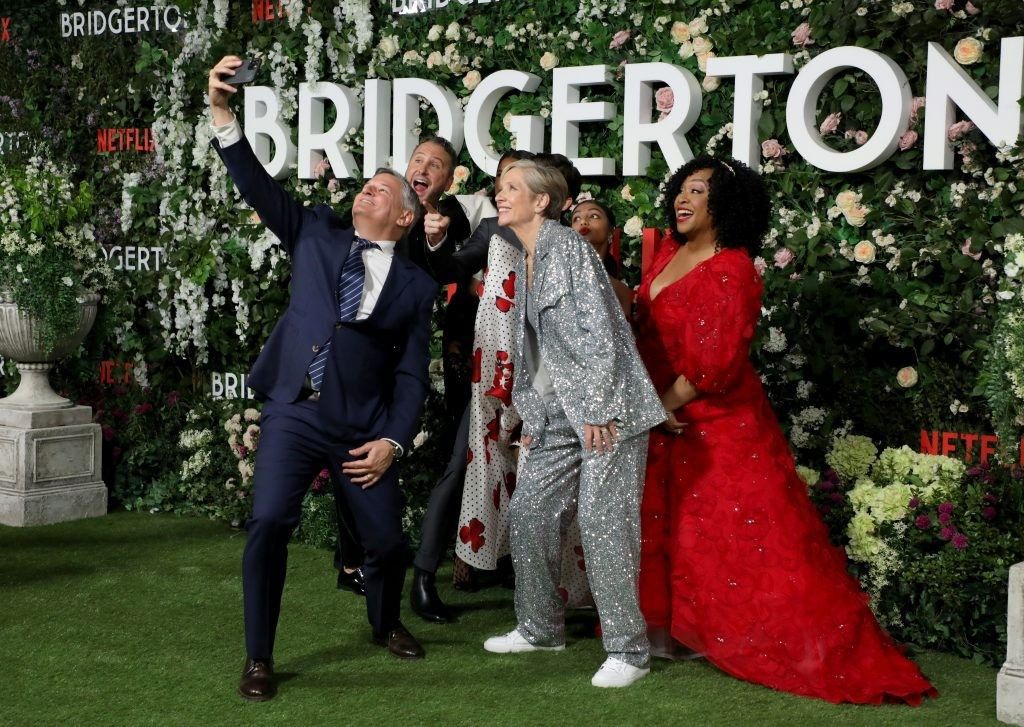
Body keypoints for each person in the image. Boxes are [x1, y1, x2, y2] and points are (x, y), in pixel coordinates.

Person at [634, 154, 938, 704]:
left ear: (726, 203)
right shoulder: (666, 258)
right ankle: (676, 636)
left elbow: (716, 364)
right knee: (678, 537)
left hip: (717, 428)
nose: (683, 198)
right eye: (681, 188)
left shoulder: (733, 267)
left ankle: (783, 644)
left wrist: (657, 404)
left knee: (744, 544)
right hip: (664, 418)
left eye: (698, 190)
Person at [208, 56, 436, 702]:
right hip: (294, 411)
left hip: (363, 428)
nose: (368, 190)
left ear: (405, 219)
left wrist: (393, 439)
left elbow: (414, 374)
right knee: (269, 522)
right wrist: (223, 115)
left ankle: (386, 618)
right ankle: (258, 656)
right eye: (366, 184)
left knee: (389, 542)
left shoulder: (418, 287)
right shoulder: (312, 229)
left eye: (383, 190)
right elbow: (254, 183)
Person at [481, 160, 665, 688]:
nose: (501, 195)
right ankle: (540, 628)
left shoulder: (570, 249)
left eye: (511, 188)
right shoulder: (528, 256)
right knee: (530, 508)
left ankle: (629, 652)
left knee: (605, 524)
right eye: (499, 188)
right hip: (558, 409)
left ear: (543, 201)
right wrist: (535, 416)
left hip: (607, 410)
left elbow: (601, 331)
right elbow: (538, 351)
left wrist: (601, 410)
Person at [333, 134, 474, 596]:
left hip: (400, 367)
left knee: (378, 458)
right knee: (349, 458)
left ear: (447, 180)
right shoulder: (378, 202)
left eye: (436, 165)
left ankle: (374, 559)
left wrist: (434, 243)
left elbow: (446, 272)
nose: (425, 168)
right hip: (352, 366)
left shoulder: (447, 220)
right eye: (419, 159)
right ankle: (352, 560)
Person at [570, 199, 633, 317]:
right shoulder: (560, 276)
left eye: (594, 216)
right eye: (576, 218)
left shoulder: (620, 291)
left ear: (610, 232)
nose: (583, 221)